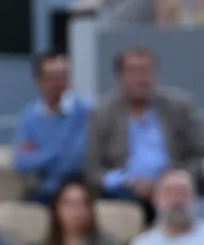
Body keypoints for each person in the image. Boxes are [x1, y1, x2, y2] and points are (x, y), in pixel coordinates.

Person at [84, 46, 204, 218]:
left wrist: (173, 180)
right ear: (120, 76)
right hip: (124, 194)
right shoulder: (103, 113)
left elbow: (199, 155)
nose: (141, 78)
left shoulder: (180, 107)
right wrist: (127, 182)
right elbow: (93, 170)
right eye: (133, 71)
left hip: (176, 189)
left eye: (146, 71)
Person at [12, 51, 92, 203]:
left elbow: (78, 160)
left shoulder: (86, 111)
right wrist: (60, 151)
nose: (59, 83)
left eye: (63, 77)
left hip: (77, 186)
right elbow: (22, 163)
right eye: (52, 78)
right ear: (39, 81)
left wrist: (41, 155)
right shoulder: (29, 116)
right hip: (41, 190)